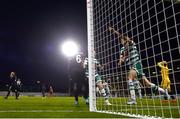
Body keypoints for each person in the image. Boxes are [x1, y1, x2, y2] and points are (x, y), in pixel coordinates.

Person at [109, 26, 169, 104]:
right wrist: (120, 61)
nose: (121, 41)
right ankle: (164, 92)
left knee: (129, 77)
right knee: (147, 84)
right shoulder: (122, 49)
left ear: (126, 39)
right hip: (132, 66)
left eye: (123, 40)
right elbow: (121, 58)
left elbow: (122, 36)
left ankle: (133, 99)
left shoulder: (132, 44)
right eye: (121, 40)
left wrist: (114, 31)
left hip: (136, 64)